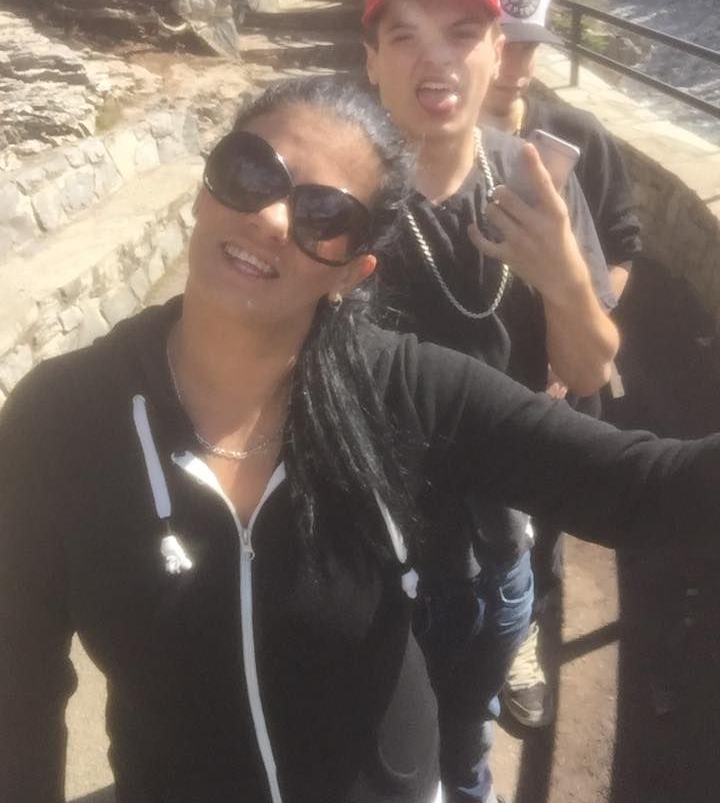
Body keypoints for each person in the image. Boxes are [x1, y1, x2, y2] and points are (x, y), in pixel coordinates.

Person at [4, 75, 717, 803]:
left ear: (353, 271)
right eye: (251, 172)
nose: (273, 219)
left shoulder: (402, 390)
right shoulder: (59, 419)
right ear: (204, 189)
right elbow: (18, 690)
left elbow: (644, 488)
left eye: (325, 215)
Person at [363, 0, 619, 800]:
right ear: (372, 61)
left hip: (498, 553)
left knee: (466, 745)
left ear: (495, 48)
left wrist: (561, 281)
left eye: (463, 32)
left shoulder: (535, 182)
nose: (436, 59)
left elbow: (589, 371)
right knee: (382, 757)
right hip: (365, 561)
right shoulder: (339, 195)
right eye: (406, 34)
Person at [481, 0, 643, 729]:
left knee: (538, 523)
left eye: (528, 43)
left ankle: (521, 645)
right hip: (467, 378)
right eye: (498, 38)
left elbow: (620, 248)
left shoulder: (578, 137)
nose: (513, 63)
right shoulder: (427, 140)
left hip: (555, 378)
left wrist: (576, 317)